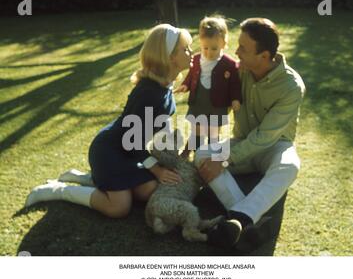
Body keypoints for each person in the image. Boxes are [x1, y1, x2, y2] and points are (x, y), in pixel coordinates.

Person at [26, 24, 193, 219]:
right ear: (169, 56)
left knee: (148, 190)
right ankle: (58, 190)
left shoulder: (164, 86)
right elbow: (132, 141)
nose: (191, 52)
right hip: (110, 152)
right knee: (119, 207)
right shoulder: (150, 94)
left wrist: (168, 159)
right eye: (186, 49)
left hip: (130, 152)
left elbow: (156, 131)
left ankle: (85, 178)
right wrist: (156, 169)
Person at [194, 18, 306, 248]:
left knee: (290, 165)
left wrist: (224, 160)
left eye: (243, 49)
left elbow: (266, 137)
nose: (236, 52)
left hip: (274, 146)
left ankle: (240, 219)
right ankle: (243, 221)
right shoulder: (237, 72)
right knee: (203, 154)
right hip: (241, 142)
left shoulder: (291, 86)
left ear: (264, 56)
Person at [174, 16, 242, 158]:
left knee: (213, 132)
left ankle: (212, 155)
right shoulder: (197, 59)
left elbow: (235, 84)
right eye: (205, 48)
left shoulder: (229, 64)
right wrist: (185, 85)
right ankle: (192, 150)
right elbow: (192, 75)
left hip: (218, 104)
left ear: (224, 43)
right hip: (199, 100)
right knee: (197, 129)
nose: (209, 52)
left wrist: (235, 99)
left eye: (214, 48)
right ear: (200, 42)